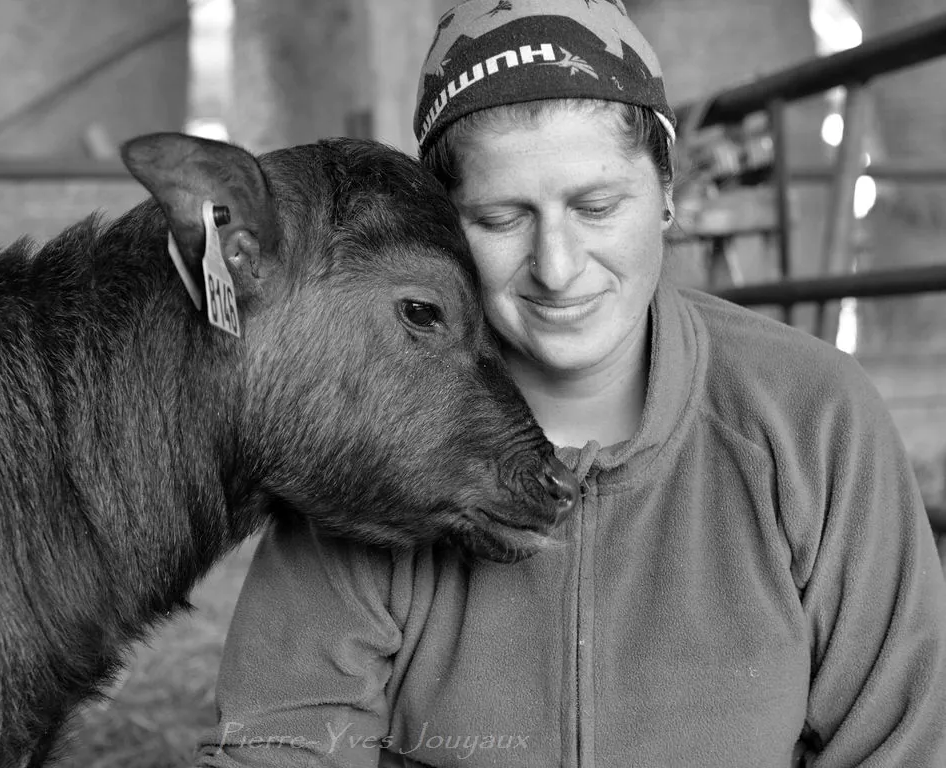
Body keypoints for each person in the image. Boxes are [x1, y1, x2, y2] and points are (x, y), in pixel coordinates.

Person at [196, 1, 946, 765]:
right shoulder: (370, 422)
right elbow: (284, 739)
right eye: (499, 218)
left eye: (595, 206)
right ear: (443, 228)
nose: (556, 267)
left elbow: (903, 741)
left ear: (666, 192)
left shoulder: (810, 418)